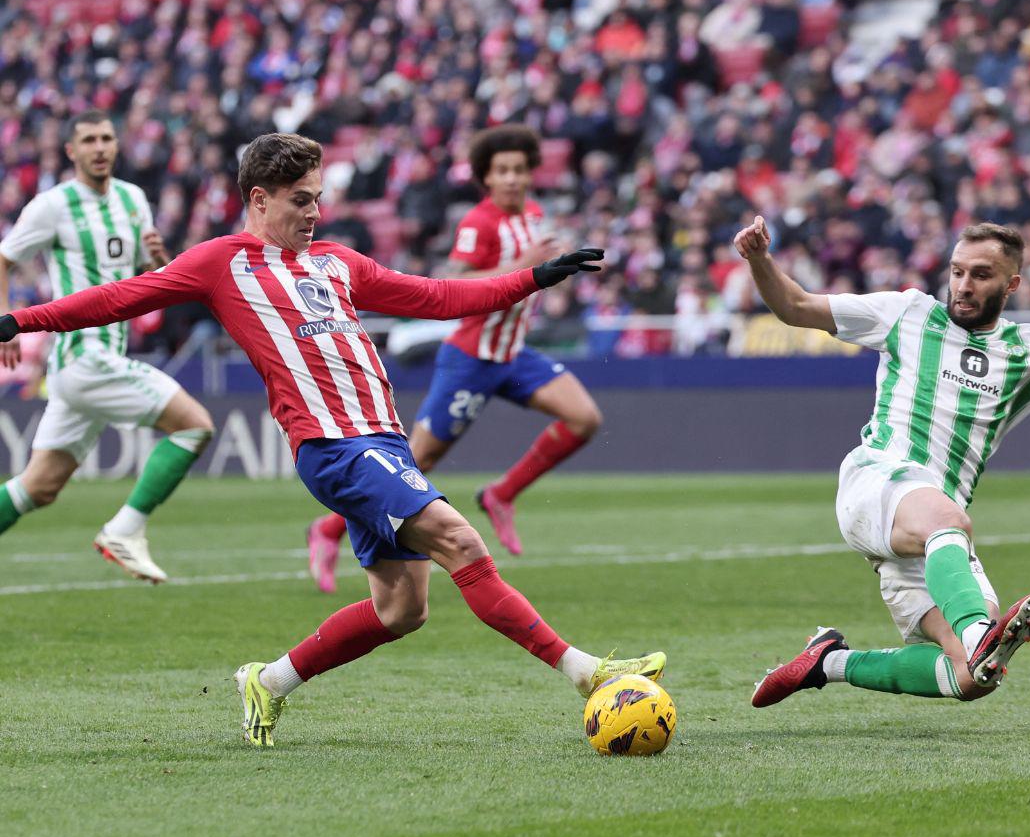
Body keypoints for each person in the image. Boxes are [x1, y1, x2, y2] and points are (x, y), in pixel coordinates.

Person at [0, 133, 664, 747]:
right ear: (259, 200)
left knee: (402, 610)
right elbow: (119, 298)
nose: (315, 212)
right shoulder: (220, 264)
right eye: (301, 200)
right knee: (461, 541)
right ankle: (588, 672)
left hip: (386, 443)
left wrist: (536, 277)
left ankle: (269, 682)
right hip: (334, 448)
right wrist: (17, 321)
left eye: (318, 197)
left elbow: (437, 296)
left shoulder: (336, 262)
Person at [732, 217, 1030, 706]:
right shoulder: (906, 313)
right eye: (957, 272)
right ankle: (979, 633)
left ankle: (827, 662)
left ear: (1011, 284)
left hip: (936, 537)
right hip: (877, 481)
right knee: (954, 537)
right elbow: (795, 306)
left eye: (981, 275)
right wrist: (760, 258)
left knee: (972, 678)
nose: (963, 285)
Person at [306, 125, 603, 590]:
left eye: (519, 170)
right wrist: (522, 264)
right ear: (485, 178)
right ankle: (325, 530)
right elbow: (452, 278)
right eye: (501, 170)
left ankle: (501, 495)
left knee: (584, 418)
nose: (511, 179)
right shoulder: (477, 223)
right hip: (471, 360)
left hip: (513, 354)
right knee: (416, 464)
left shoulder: (535, 212)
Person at [0, 110, 214, 583]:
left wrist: (161, 261)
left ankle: (122, 529)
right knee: (195, 426)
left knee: (39, 486)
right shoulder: (52, 205)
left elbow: (146, 277)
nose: (99, 147)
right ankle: (124, 529)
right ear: (72, 151)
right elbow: (4, 257)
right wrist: (6, 324)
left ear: (116, 146)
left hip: (103, 358)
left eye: (106, 138)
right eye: (89, 140)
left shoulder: (133, 199)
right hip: (84, 355)